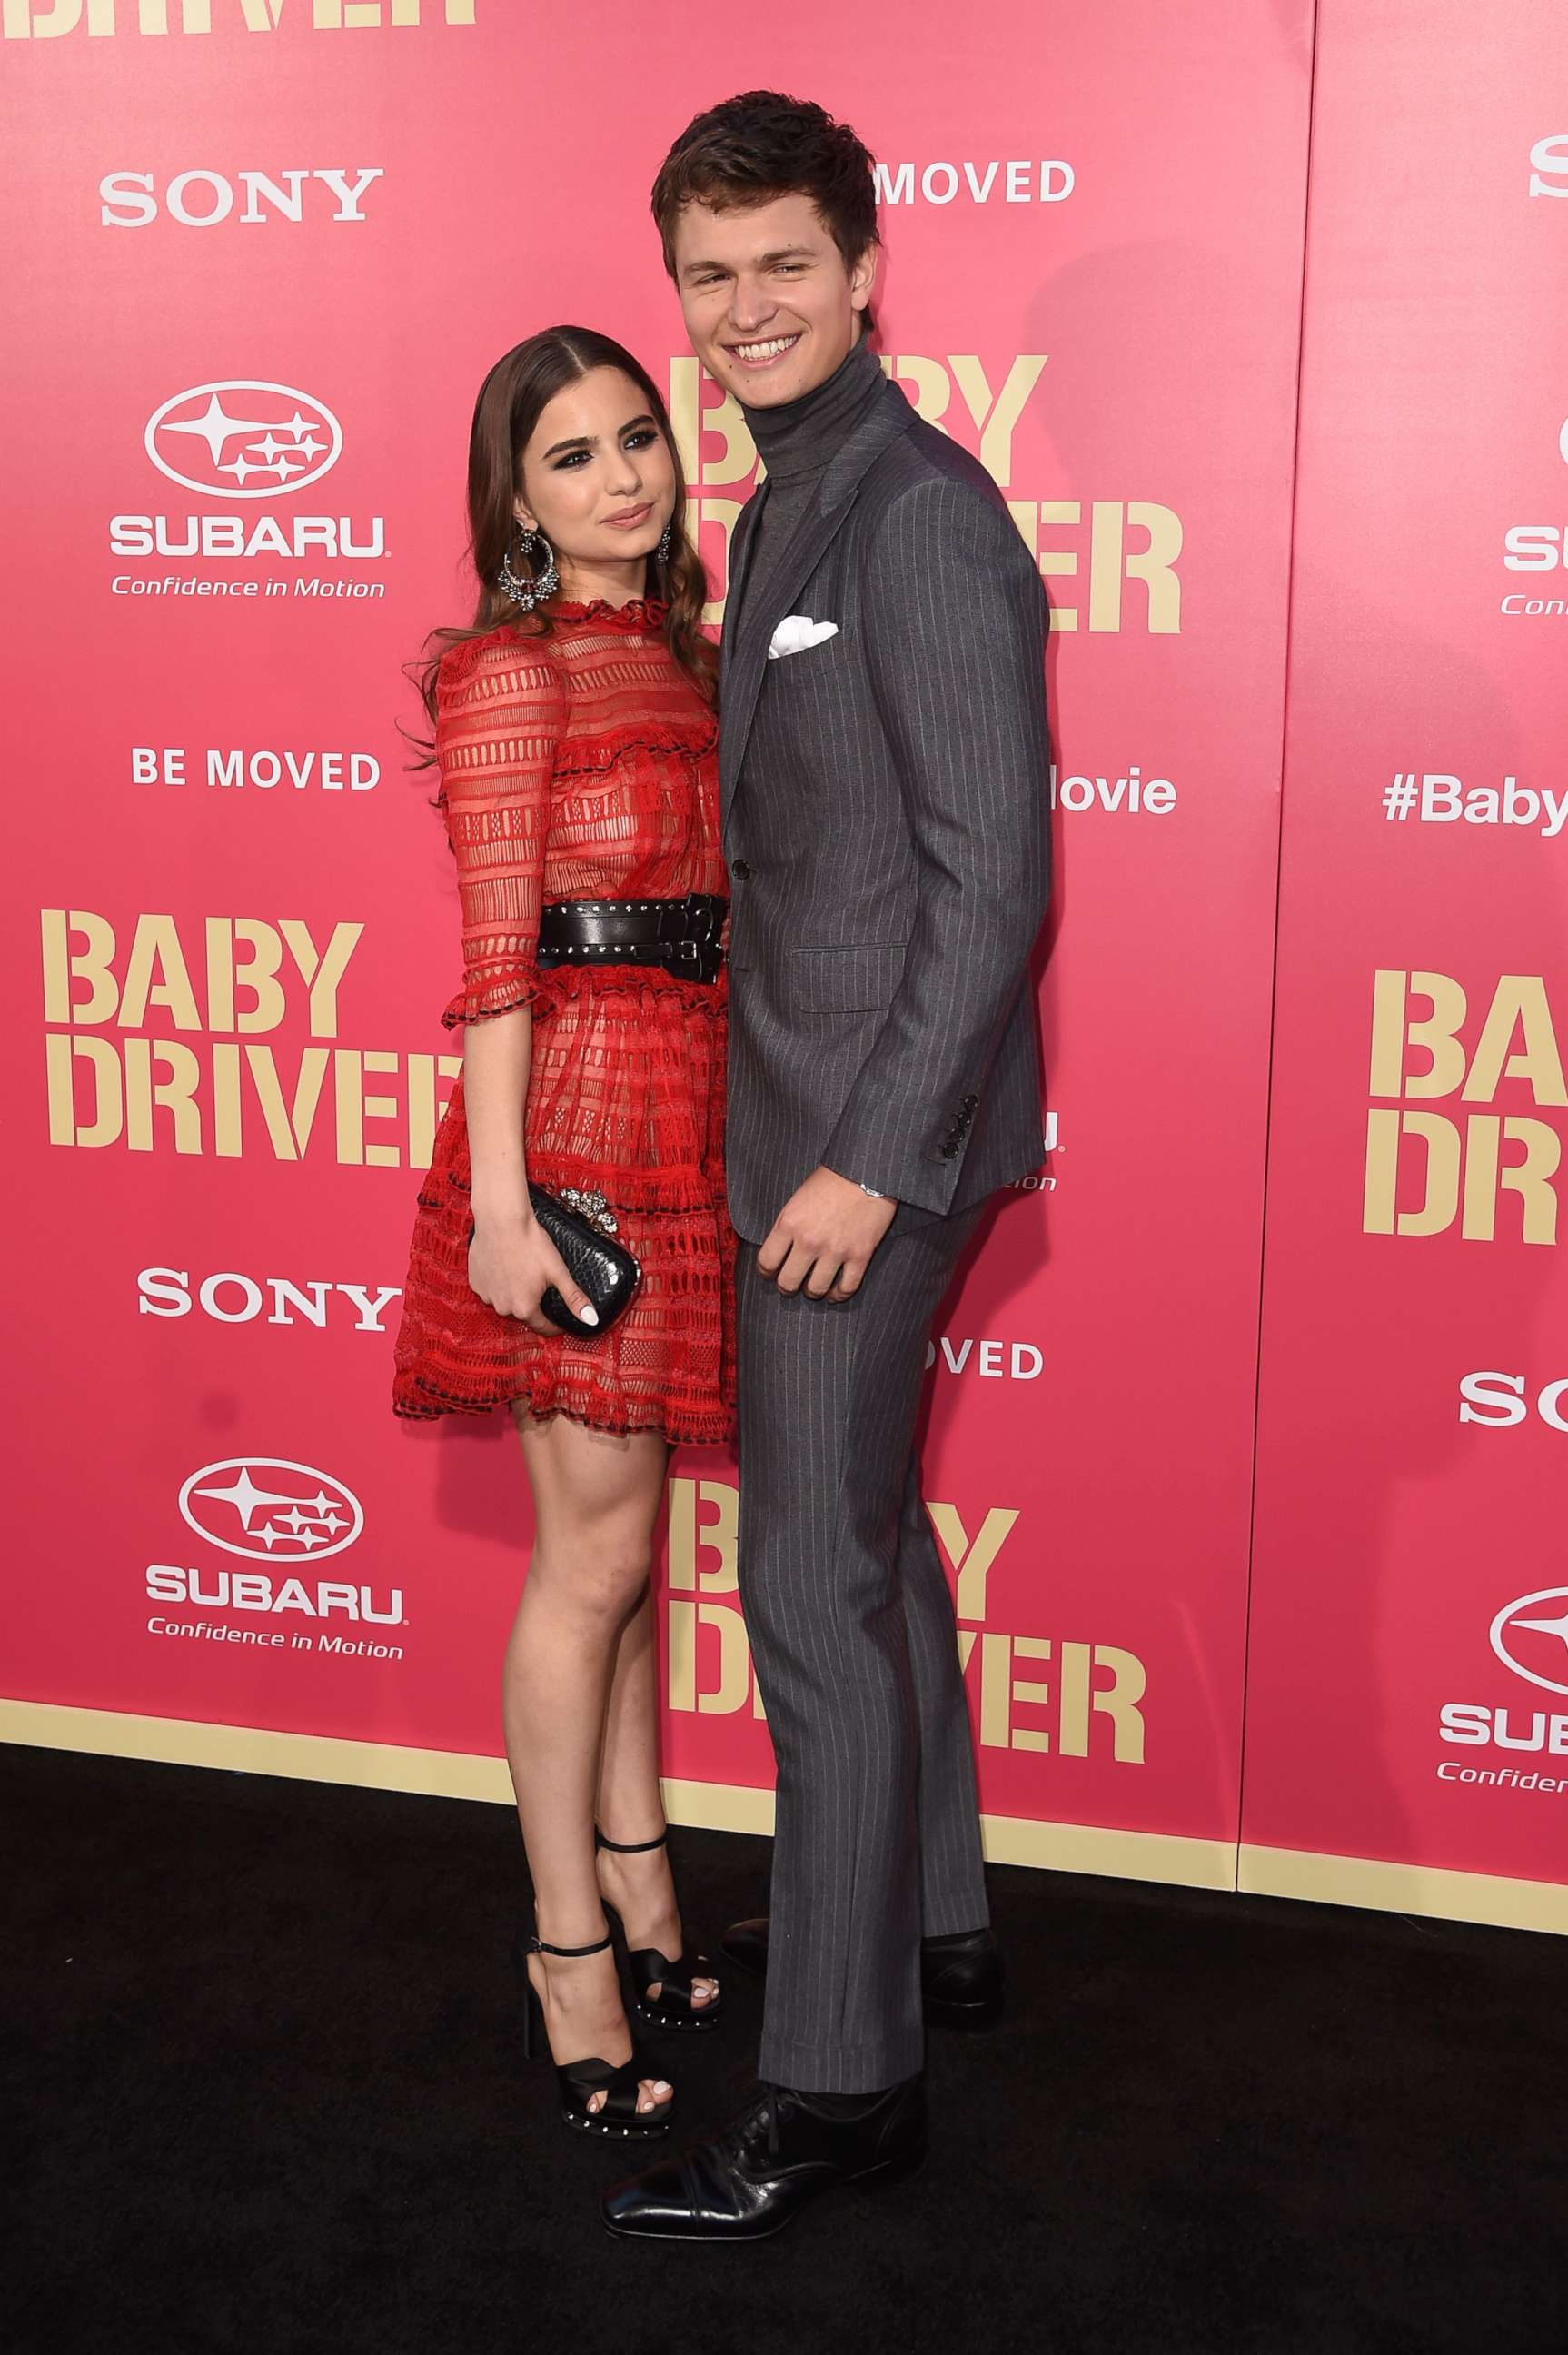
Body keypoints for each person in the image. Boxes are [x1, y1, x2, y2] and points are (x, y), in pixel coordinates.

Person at [601, 92, 1051, 2241]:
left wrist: (870, 1162)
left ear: (865, 270)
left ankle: (843, 2086)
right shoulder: (787, 495)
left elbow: (990, 888)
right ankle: (933, 1920)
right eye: (709, 276)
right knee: (864, 1543)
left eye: (784, 264)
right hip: (819, 1114)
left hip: (866, 1145)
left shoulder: (918, 514)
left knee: (805, 1586)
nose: (745, 308)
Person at [392, 327, 734, 2141]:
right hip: (579, 1139)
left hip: (689, 1115)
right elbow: (495, 964)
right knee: (588, 1568)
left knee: (626, 1555)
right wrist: (508, 1208)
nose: (624, 478)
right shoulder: (507, 672)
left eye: (637, 440)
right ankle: (563, 1949)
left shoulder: (686, 650)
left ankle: (645, 1884)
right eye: (574, 460)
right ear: (514, 503)